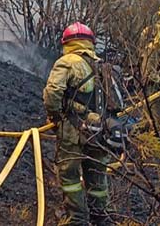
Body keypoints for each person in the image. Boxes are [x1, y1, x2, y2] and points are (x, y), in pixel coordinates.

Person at [44, 22, 110, 226]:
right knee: (97, 176)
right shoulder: (103, 65)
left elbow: (53, 92)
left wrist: (54, 116)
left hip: (73, 131)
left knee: (70, 176)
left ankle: (78, 220)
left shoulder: (67, 61)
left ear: (67, 43)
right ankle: (100, 217)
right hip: (100, 131)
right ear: (91, 43)